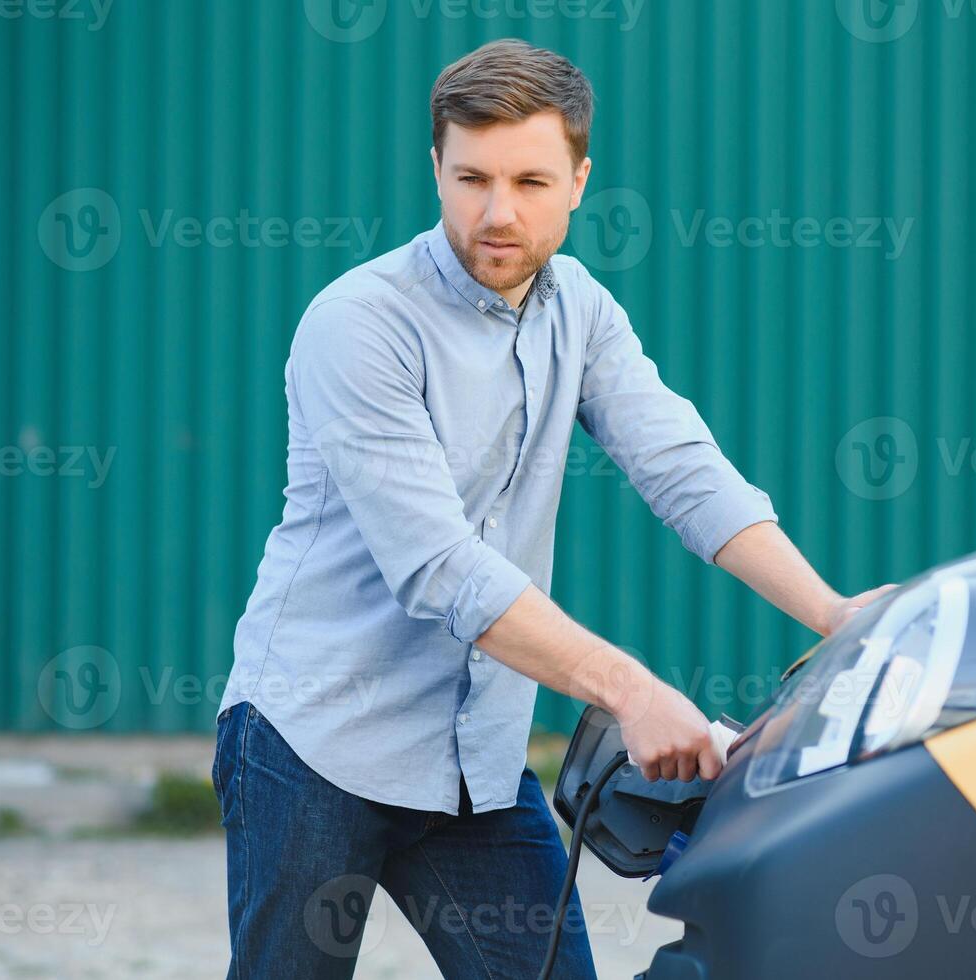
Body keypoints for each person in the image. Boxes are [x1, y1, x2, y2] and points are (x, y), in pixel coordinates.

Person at [212, 37, 893, 979]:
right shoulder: (358, 323)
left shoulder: (582, 309)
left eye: (531, 181)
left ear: (579, 179)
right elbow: (438, 566)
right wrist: (632, 690)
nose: (498, 213)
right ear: (436, 170)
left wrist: (835, 615)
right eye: (472, 178)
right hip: (314, 741)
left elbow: (682, 469)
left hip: (471, 762)